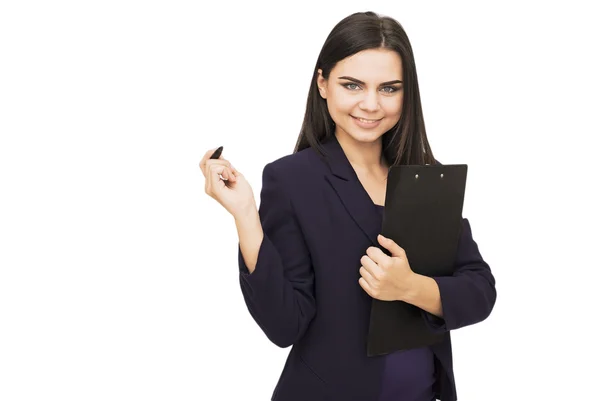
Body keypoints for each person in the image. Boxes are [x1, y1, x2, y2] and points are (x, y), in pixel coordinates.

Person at [199, 11, 496, 401]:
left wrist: (411, 287)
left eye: (389, 88)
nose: (371, 104)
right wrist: (244, 215)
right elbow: (284, 325)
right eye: (352, 85)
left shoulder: (427, 176)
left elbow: (479, 290)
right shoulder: (292, 180)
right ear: (322, 84)